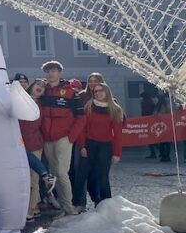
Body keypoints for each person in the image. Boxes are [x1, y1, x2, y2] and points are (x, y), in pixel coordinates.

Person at [39, 61, 86, 216]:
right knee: (54, 173)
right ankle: (62, 205)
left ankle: (68, 206)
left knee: (61, 172)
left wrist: (71, 136)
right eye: (48, 71)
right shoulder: (43, 91)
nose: (50, 74)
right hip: (47, 138)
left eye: (53, 71)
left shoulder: (71, 93)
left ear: (60, 73)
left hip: (64, 138)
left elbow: (81, 117)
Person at [75, 83, 124, 207]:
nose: (98, 93)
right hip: (89, 144)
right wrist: (82, 146)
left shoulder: (116, 109)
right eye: (96, 91)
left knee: (103, 176)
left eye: (101, 91)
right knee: (82, 175)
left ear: (107, 92)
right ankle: (76, 204)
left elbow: (118, 134)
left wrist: (117, 153)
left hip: (105, 146)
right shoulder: (88, 107)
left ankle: (106, 205)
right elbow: (82, 129)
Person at [21, 79, 56, 220]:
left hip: (34, 144)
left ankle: (30, 210)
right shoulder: (20, 100)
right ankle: (29, 207)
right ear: (32, 86)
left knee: (33, 181)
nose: (40, 87)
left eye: (43, 86)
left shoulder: (40, 105)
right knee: (22, 180)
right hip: (19, 144)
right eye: (38, 84)